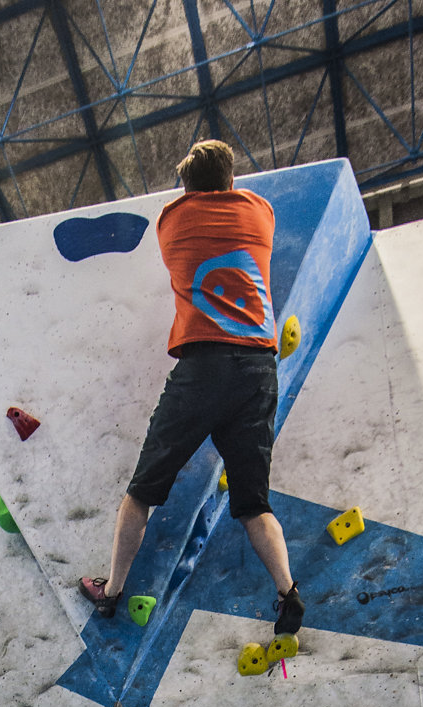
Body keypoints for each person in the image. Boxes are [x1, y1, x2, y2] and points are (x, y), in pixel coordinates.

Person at [80, 138, 303, 638]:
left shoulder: (171, 222)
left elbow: (184, 205)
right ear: (229, 181)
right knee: (253, 504)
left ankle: (110, 592)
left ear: (186, 188)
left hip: (203, 367)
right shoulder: (260, 214)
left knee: (142, 491)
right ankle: (289, 594)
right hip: (258, 369)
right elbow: (238, 197)